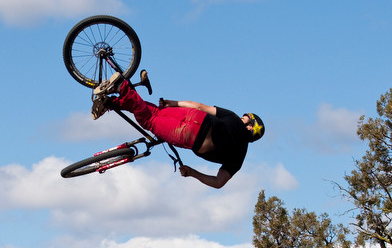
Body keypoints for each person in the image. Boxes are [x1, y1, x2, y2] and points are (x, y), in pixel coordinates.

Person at [91, 70, 265, 189]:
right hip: (190, 135)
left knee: (153, 111)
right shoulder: (239, 156)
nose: (243, 117)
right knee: (149, 120)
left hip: (195, 116)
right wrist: (192, 172)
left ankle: (111, 103)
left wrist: (173, 103)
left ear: (250, 127)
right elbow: (218, 182)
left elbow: (199, 106)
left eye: (246, 118)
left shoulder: (233, 117)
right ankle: (122, 87)